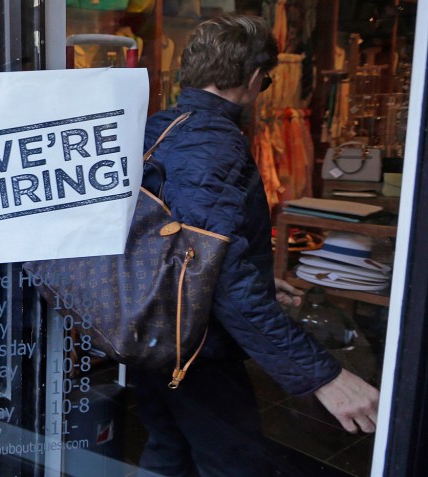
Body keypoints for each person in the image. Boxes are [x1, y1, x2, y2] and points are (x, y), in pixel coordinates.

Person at [133, 14, 379, 476]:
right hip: (196, 346)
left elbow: (181, 240)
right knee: (233, 462)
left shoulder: (158, 128)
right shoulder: (215, 145)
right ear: (251, 77)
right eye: (267, 79)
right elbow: (220, 273)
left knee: (168, 451)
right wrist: (322, 375)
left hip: (150, 328)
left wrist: (263, 280)